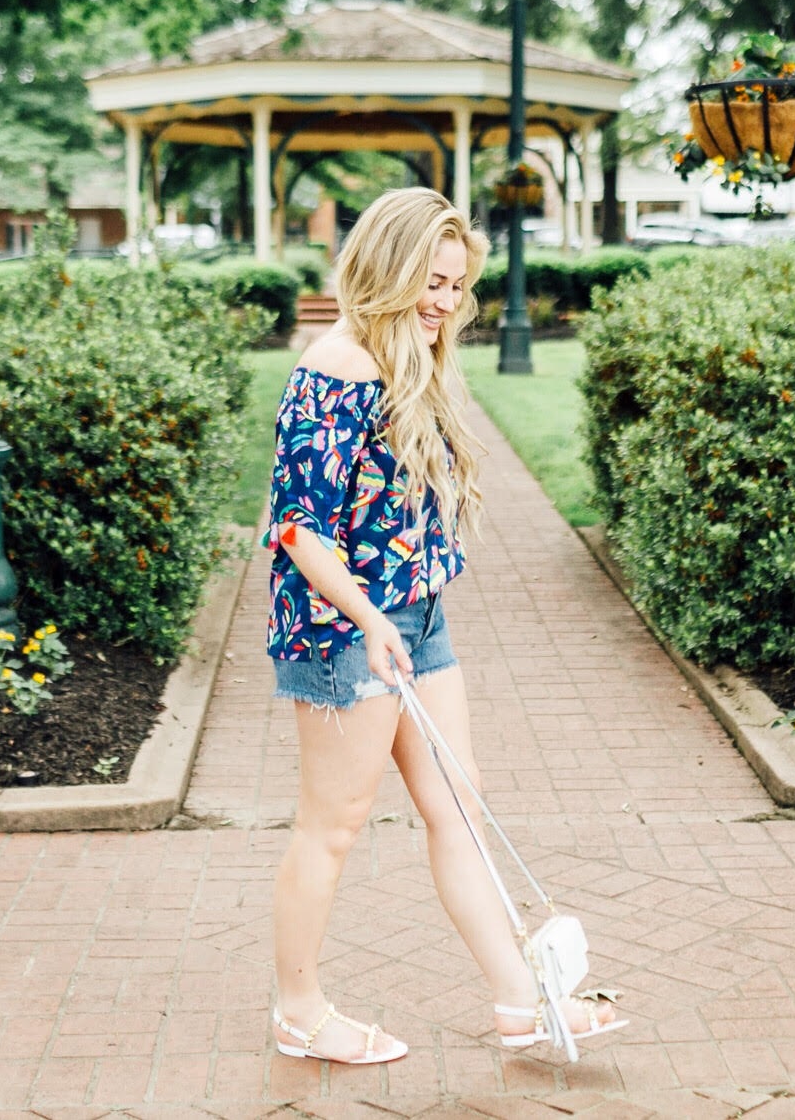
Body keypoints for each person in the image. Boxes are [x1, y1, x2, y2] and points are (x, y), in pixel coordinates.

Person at [264, 187, 626, 1066]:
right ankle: (299, 1009)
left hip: (415, 619)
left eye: (457, 286)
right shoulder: (338, 364)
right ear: (387, 268)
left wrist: (403, 612)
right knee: (334, 823)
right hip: (343, 628)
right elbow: (297, 526)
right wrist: (368, 617)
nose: (444, 301)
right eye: (431, 280)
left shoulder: (412, 360)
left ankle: (521, 1001)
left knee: (459, 806)